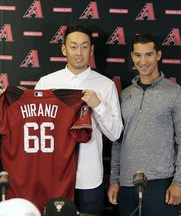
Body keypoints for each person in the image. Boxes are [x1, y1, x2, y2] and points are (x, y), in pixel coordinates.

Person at [35, 25, 123, 216]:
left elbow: (116, 133)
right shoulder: (46, 83)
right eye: (73, 46)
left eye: (84, 47)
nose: (79, 53)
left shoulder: (105, 86)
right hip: (54, 176)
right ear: (64, 49)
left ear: (91, 50)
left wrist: (98, 105)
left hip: (89, 179)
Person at [107, 33, 181, 216]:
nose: (143, 61)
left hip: (160, 184)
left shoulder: (177, 94)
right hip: (126, 185)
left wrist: (178, 182)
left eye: (149, 54)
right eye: (138, 55)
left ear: (158, 55)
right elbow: (117, 140)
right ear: (132, 56)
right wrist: (114, 179)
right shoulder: (124, 95)